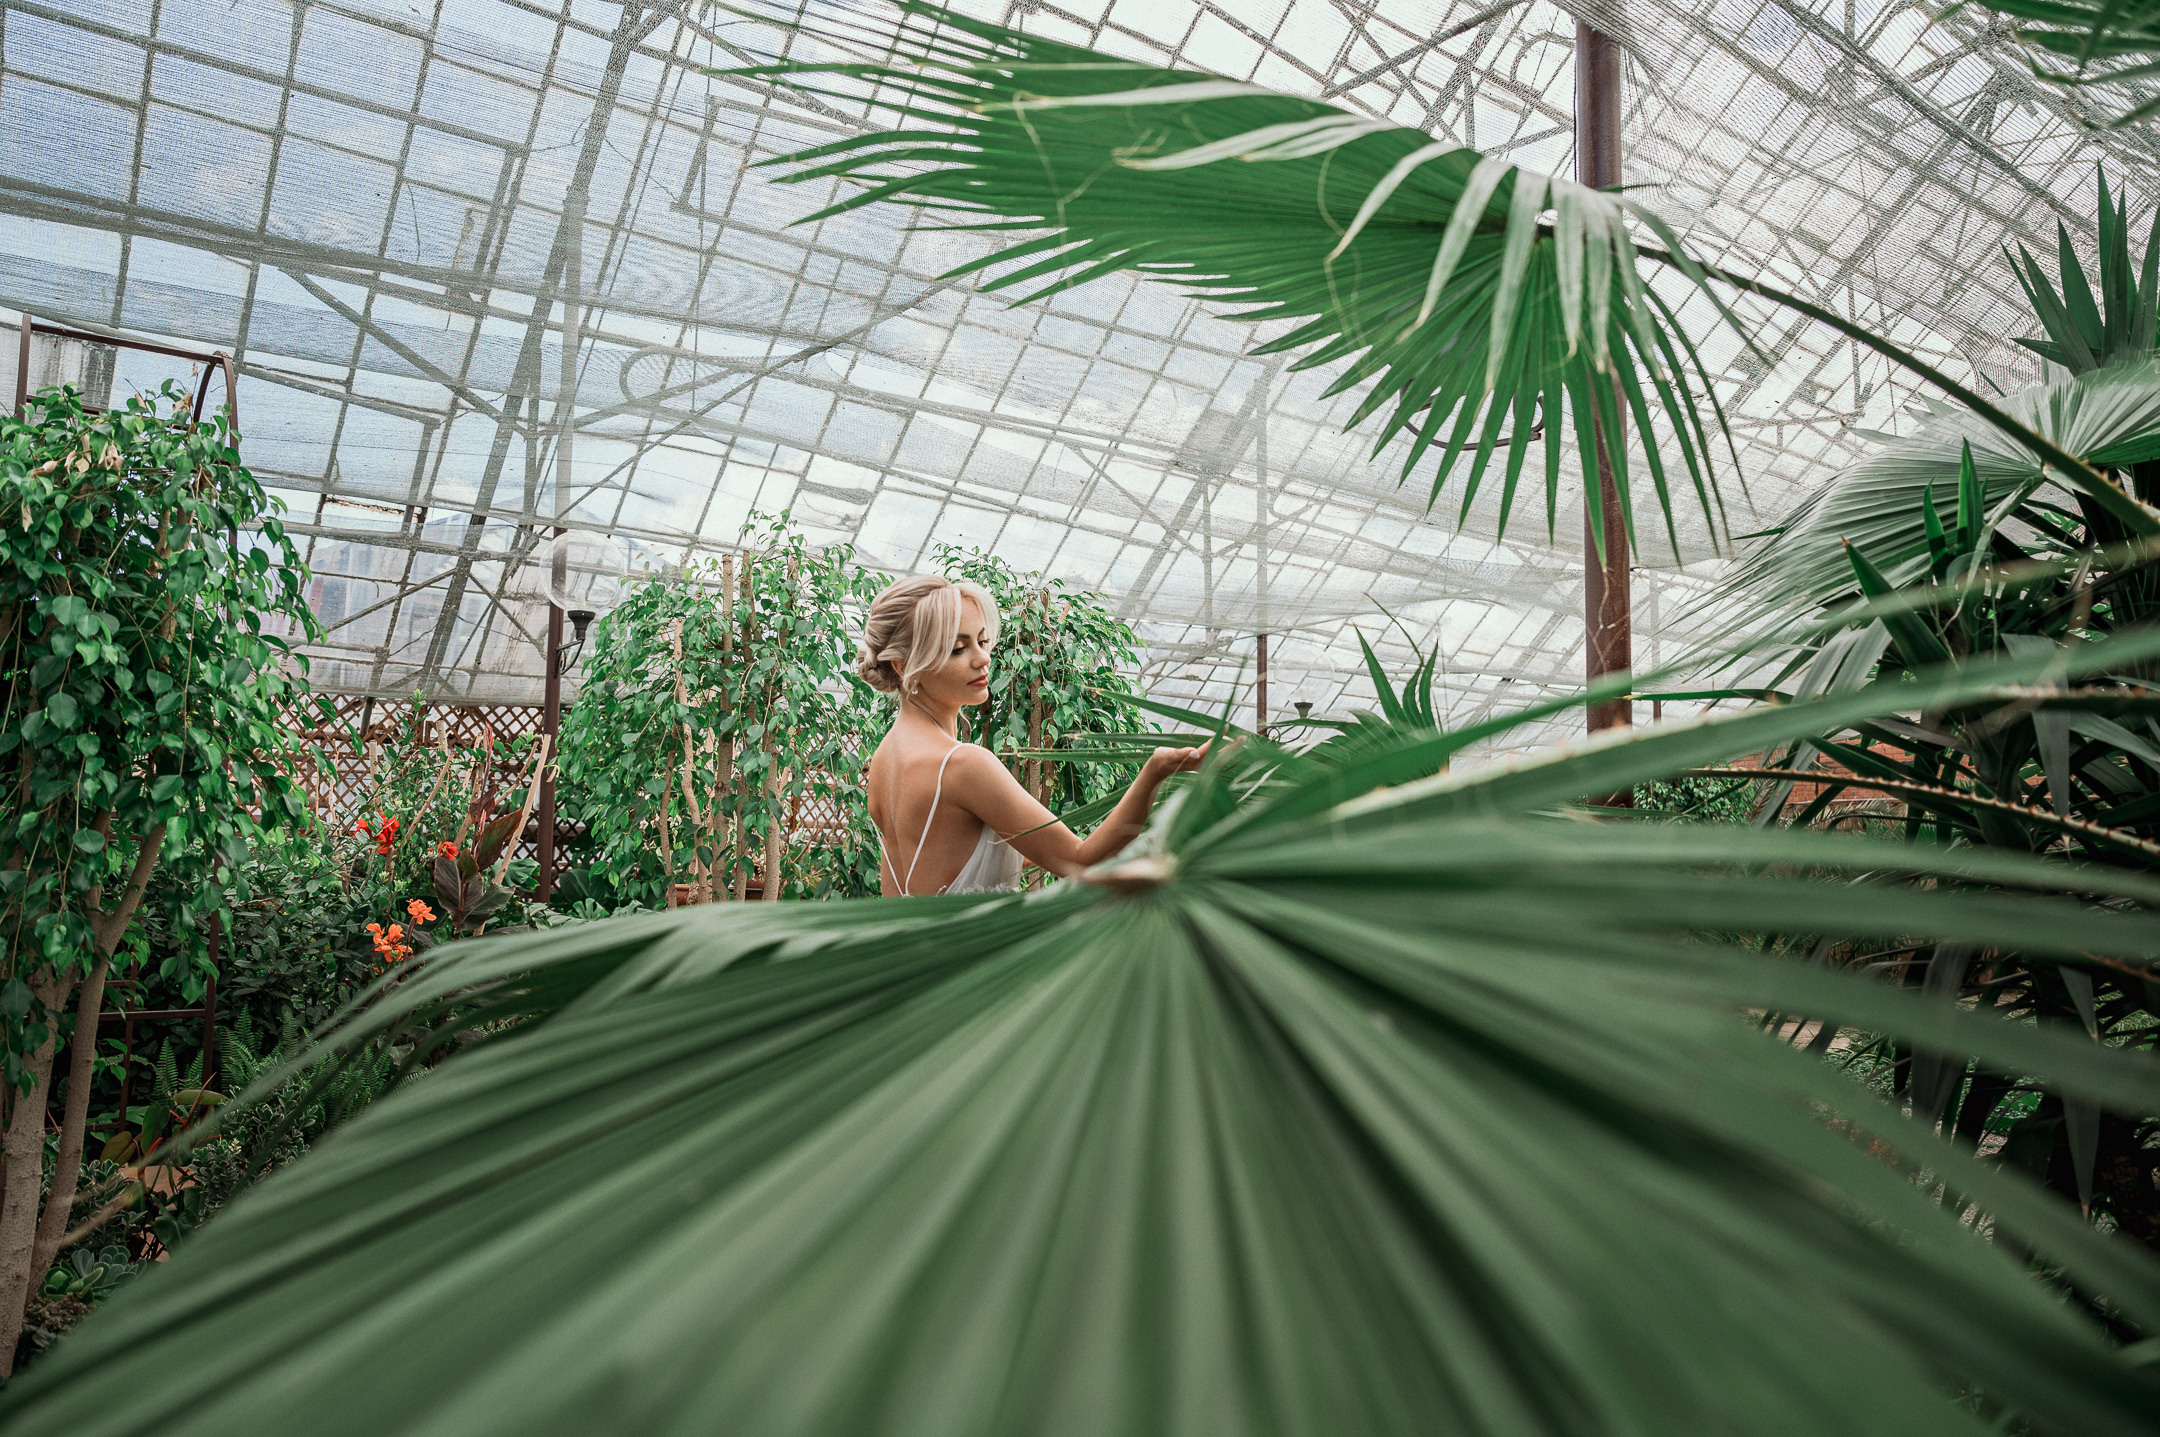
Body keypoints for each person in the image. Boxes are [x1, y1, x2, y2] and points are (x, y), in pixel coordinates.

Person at [858, 574, 1205, 896]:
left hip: (917, 955)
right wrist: (1155, 771)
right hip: (984, 957)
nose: (983, 659)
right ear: (904, 665)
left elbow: (947, 859)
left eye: (982, 641)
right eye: (958, 648)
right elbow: (1080, 861)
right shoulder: (963, 764)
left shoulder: (884, 758)